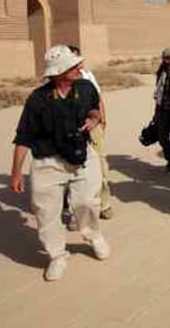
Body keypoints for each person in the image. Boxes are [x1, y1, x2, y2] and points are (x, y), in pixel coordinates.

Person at [10, 45, 111, 281]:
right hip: (48, 163)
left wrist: (95, 119)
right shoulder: (38, 99)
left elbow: (95, 111)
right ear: (60, 71)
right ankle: (57, 255)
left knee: (87, 202)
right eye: (75, 66)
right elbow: (24, 137)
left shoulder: (86, 88)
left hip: (82, 156)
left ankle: (93, 235)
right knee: (46, 213)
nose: (81, 68)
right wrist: (16, 173)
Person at [67, 45, 113, 220]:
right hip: (69, 131)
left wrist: (102, 120)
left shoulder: (88, 77)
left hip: (93, 128)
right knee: (72, 171)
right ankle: (75, 213)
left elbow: (98, 99)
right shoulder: (57, 81)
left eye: (78, 59)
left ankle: (104, 204)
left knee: (100, 168)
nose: (78, 63)